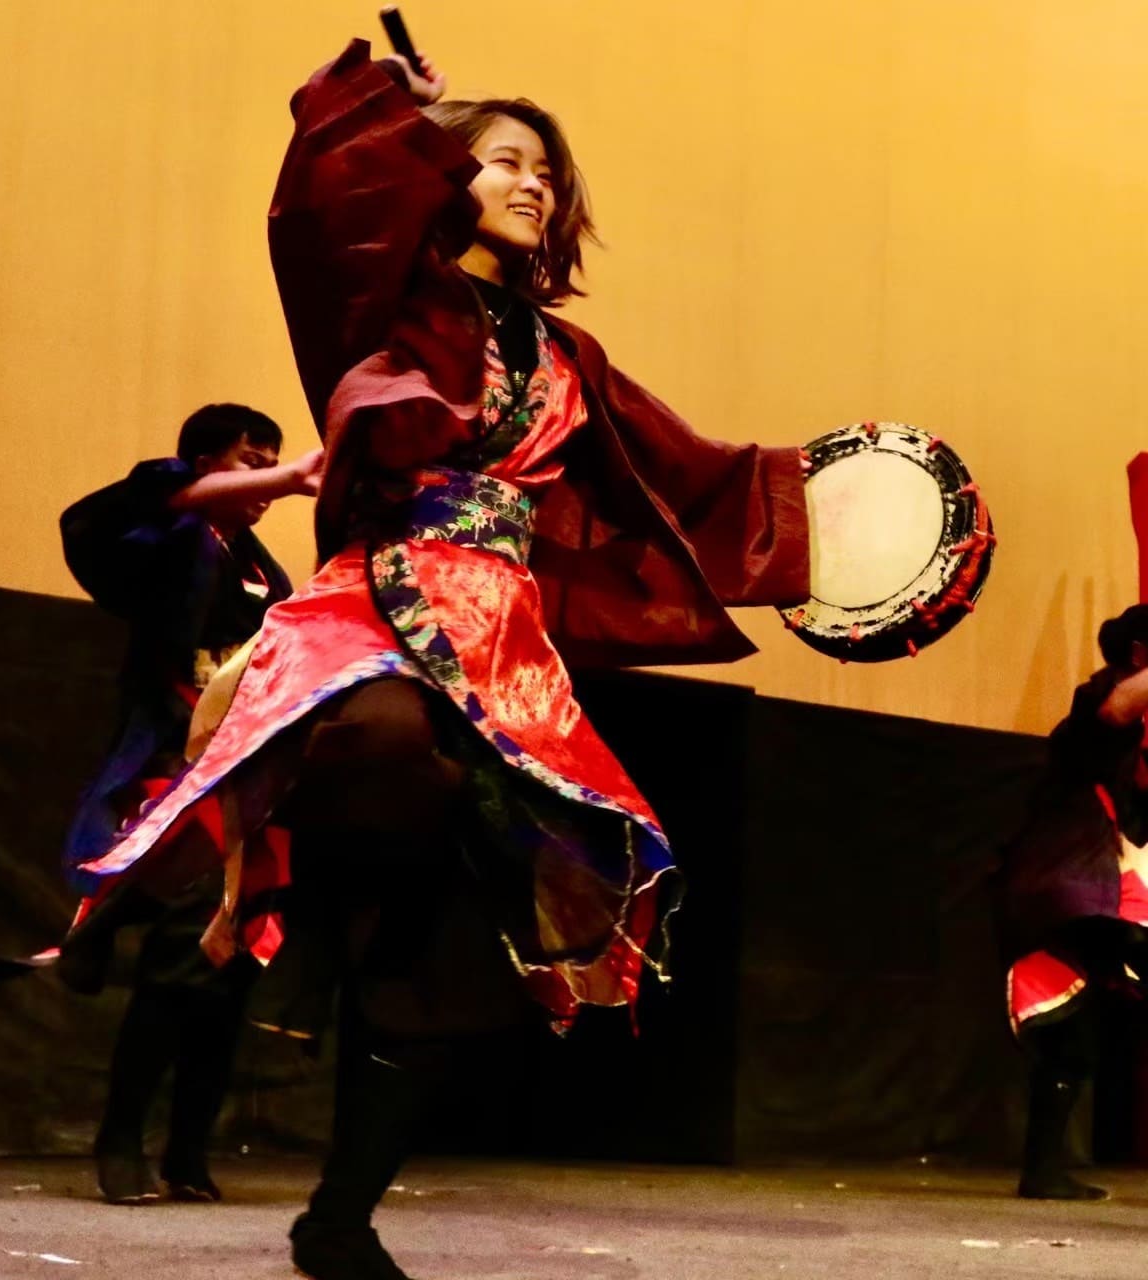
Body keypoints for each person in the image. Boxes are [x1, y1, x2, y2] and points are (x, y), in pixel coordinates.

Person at [68, 40, 809, 1277]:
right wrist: (390, 124)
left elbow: (689, 475)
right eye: (502, 160)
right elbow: (321, 210)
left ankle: (337, 1217)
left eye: (544, 171)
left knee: (443, 983)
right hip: (379, 605)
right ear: (440, 176)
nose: (532, 183)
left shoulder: (567, 359)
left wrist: (825, 515)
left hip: (503, 653)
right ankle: (253, 903)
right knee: (382, 737)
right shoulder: (381, 298)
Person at [58, 402, 321, 1204]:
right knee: (180, 951)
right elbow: (117, 511)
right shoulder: (164, 537)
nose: (267, 482)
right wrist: (294, 476)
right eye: (251, 463)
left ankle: (187, 1152)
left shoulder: (266, 576)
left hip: (247, 780)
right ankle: (119, 1143)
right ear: (204, 466)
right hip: (172, 772)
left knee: (230, 961)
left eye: (274, 464)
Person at [1000, 603, 1148, 1200]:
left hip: (1085, 890)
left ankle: (1041, 1172)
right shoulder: (1099, 702)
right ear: (1139, 654)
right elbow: (1116, 709)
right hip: (1072, 887)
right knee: (1074, 1032)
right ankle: (1041, 1171)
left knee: (1072, 1036)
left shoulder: (1129, 750)